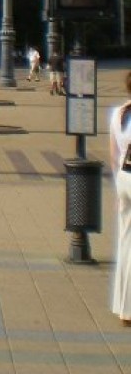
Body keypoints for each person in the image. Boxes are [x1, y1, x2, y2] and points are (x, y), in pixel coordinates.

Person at [109, 71, 131, 325]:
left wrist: (118, 188)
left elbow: (113, 154)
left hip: (124, 179)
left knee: (125, 244)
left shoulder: (119, 114)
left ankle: (124, 308)